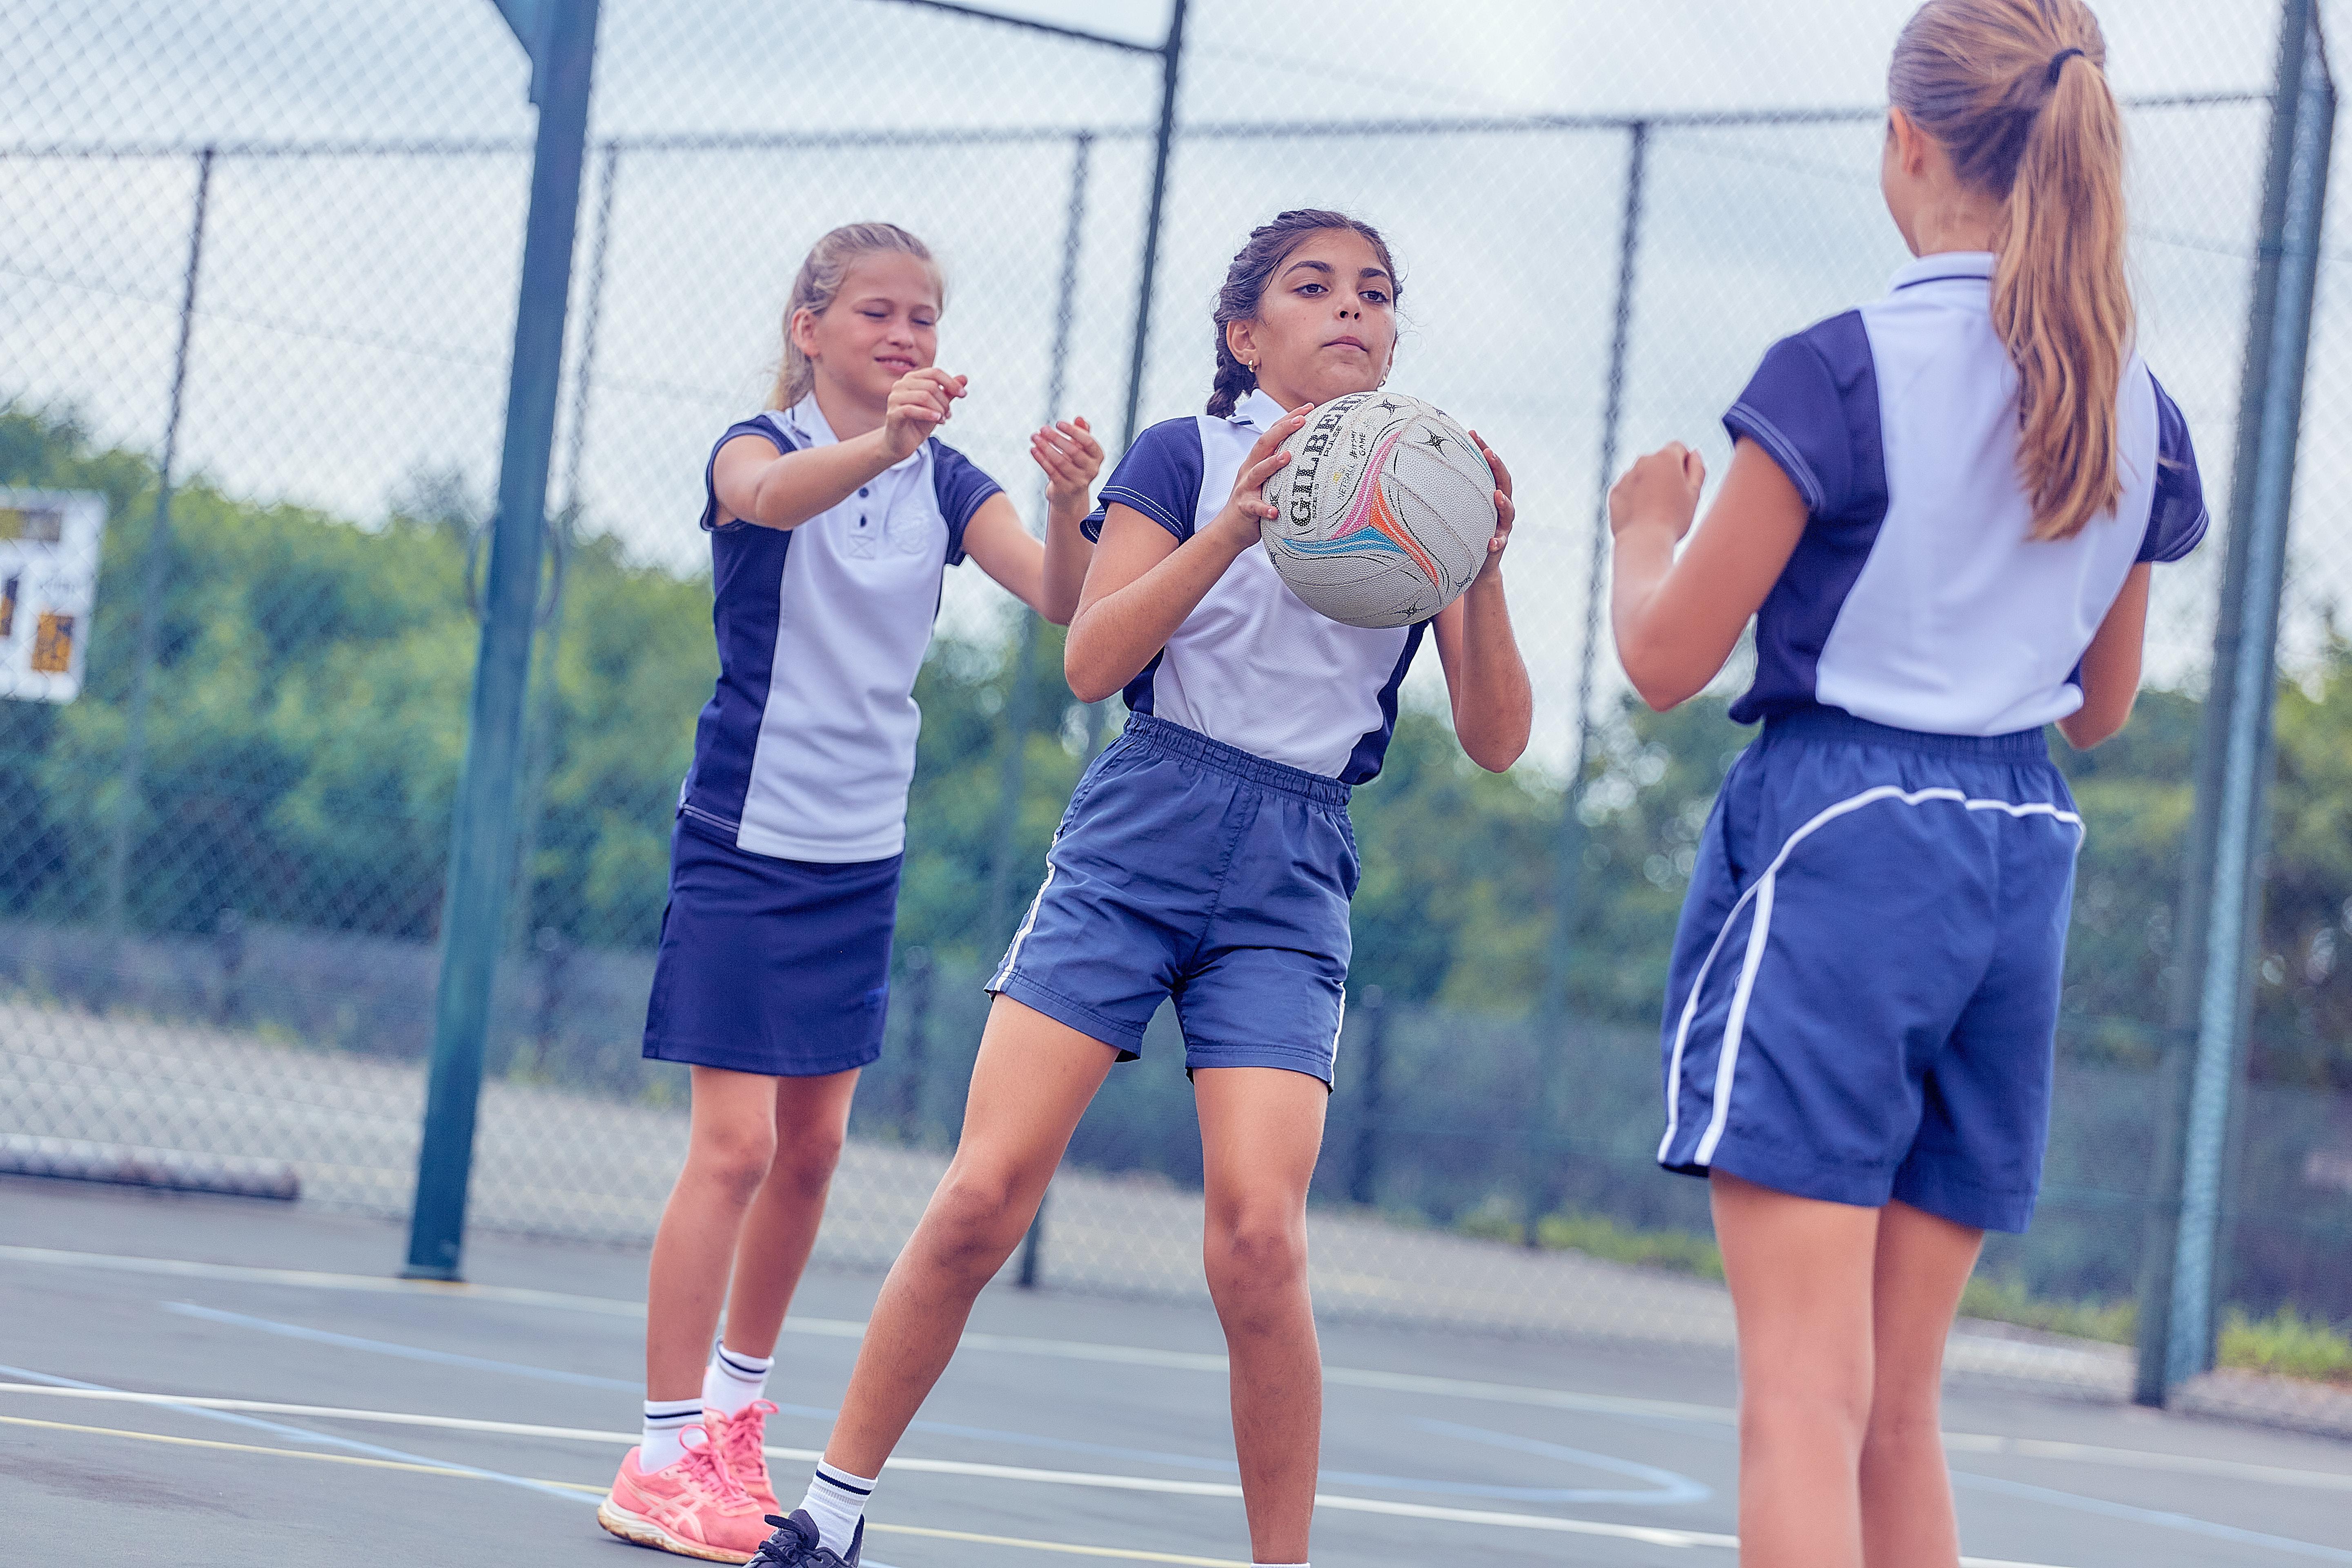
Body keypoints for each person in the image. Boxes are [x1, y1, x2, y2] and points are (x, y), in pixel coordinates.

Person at [750, 209, 1532, 1568]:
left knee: (1258, 1240)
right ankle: (833, 1511)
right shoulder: (1190, 454)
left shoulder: (1428, 492)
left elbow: (1501, 737)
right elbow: (1093, 658)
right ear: (1248, 335)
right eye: (1315, 287)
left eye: (1378, 293)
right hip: (1143, 831)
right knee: (987, 1190)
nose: (1354, 309)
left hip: (1294, 870)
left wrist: (1490, 561)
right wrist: (1231, 529)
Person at [1606, 5, 2206, 1565]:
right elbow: (2105, 707)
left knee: (1802, 1399)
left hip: (1846, 840)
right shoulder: (2136, 398)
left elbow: (1667, 661)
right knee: (1896, 1409)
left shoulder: (1839, 369)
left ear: (1909, 141)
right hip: (2019, 851)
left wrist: (1639, 531)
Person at [596, 220, 1102, 1563]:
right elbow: (770, 504)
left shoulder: (949, 480)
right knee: (736, 1148)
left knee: (813, 1155)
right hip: (744, 841)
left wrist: (1065, 499)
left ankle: (731, 1424)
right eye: (877, 313)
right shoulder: (752, 447)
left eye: (925, 320)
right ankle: (654, 1459)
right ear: (810, 326)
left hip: (856, 856)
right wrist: (880, 445)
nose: (905, 337)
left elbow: (1066, 599)